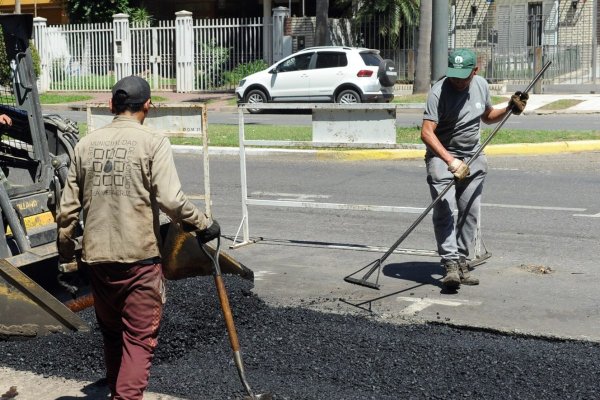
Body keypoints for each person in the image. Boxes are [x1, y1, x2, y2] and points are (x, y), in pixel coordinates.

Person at [56, 75, 220, 399]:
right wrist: (203, 224)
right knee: (139, 340)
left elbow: (66, 212)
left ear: (111, 106)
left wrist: (65, 258)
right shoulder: (152, 142)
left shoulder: (85, 145)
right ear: (148, 106)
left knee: (114, 335)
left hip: (99, 261)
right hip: (139, 261)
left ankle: (118, 390)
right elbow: (171, 200)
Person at [420, 48, 527, 290]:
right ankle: (449, 263)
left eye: (463, 76)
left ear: (475, 71)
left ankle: (461, 260)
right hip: (442, 155)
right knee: (445, 209)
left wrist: (510, 107)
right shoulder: (438, 92)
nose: (458, 80)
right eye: (454, 75)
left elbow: (488, 115)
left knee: (470, 211)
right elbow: (426, 133)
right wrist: (450, 161)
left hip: (473, 156)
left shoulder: (480, 84)